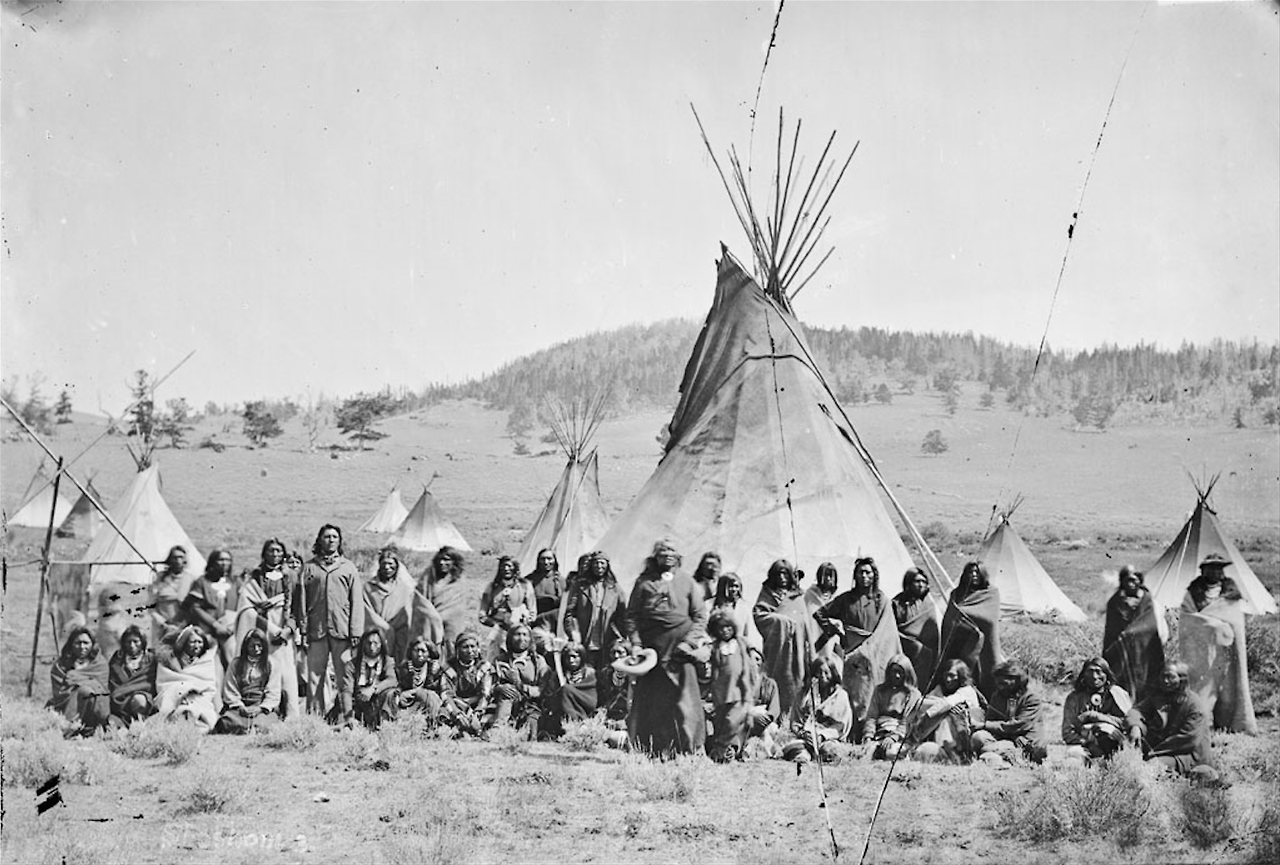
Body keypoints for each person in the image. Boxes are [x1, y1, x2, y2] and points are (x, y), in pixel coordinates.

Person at [624, 540, 709, 756]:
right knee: (652, 700)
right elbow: (632, 616)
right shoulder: (643, 582)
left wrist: (688, 642)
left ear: (678, 555)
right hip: (652, 651)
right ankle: (652, 749)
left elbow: (700, 616)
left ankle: (689, 749)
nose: (668, 555)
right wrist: (636, 644)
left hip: (680, 651)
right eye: (663, 552)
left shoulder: (688, 582)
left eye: (672, 551)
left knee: (685, 700)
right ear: (655, 556)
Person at [814, 556, 898, 740]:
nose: (864, 576)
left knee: (871, 696)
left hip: (875, 657)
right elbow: (820, 614)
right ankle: (851, 735)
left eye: (868, 572)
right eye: (860, 572)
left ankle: (869, 735)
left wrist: (871, 646)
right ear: (855, 575)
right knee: (853, 696)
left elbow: (887, 629)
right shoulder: (846, 599)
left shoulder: (880, 600)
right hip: (852, 656)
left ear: (874, 575)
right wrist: (837, 630)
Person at [1179, 554, 1256, 734]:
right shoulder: (1193, 593)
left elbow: (1236, 619)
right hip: (1202, 651)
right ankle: (1199, 727)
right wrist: (1214, 624)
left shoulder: (1230, 593)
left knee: (1228, 689)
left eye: (1219, 567)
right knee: (1202, 687)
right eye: (1211, 567)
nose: (1215, 571)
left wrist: (1225, 627)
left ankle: (1231, 726)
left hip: (1228, 650)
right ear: (1203, 570)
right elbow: (1187, 619)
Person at [298, 524, 364, 725]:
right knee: (315, 677)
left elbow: (357, 602)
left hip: (342, 631)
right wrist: (302, 628)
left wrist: (356, 631)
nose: (331, 540)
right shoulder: (309, 568)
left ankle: (347, 718)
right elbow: (301, 600)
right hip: (316, 631)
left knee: (345, 677)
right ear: (319, 540)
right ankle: (314, 722)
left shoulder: (348, 567)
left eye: (335, 536)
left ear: (340, 541)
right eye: (327, 536)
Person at [236, 538, 299, 719]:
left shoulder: (291, 577)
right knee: (262, 670)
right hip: (260, 630)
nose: (275, 554)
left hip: (283, 632)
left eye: (279, 551)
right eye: (271, 550)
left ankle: (290, 715)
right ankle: (263, 713)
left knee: (286, 673)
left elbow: (297, 609)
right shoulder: (255, 578)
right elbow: (245, 607)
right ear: (264, 553)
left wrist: (288, 629)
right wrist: (264, 624)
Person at [1126, 661, 1217, 780]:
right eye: (1163, 676)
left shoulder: (1193, 704)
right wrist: (1135, 726)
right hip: (1165, 750)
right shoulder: (1159, 696)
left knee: (1152, 766)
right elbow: (1136, 711)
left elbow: (1188, 740)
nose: (1165, 681)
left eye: (1170, 677)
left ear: (1182, 679)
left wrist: (1153, 753)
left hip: (1188, 754)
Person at [753, 559, 818, 717]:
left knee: (797, 682)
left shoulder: (797, 597)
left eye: (785, 573)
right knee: (777, 682)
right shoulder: (766, 595)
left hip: (798, 650)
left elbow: (806, 625)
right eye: (778, 573)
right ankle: (777, 716)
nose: (782, 577)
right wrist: (782, 620)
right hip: (778, 650)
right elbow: (759, 615)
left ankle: (793, 718)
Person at [939, 561, 1003, 701]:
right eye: (970, 572)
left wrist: (964, 615)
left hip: (985, 645)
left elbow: (989, 619)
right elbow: (949, 619)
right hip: (961, 643)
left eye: (977, 572)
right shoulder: (957, 594)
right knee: (961, 673)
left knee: (986, 674)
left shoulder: (990, 594)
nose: (973, 575)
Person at [1102, 565, 1165, 702]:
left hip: (1144, 649)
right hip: (1121, 650)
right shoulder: (1115, 602)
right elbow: (1111, 629)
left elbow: (1150, 624)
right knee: (1122, 680)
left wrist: (1130, 633)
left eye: (1134, 580)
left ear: (1140, 581)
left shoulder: (1147, 600)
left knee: (1145, 677)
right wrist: (1122, 638)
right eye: (1127, 580)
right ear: (1122, 581)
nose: (1131, 583)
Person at [705, 609, 760, 762]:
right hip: (721, 692)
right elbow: (712, 667)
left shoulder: (741, 643)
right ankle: (723, 755)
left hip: (739, 692)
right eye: (721, 628)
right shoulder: (715, 647)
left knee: (732, 721)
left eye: (728, 627)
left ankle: (719, 749)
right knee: (721, 724)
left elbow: (750, 661)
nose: (725, 631)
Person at [563, 551, 628, 678]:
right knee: (585, 673)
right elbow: (570, 613)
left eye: (602, 563)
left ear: (607, 566)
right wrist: (573, 633)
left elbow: (622, 615)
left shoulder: (615, 588)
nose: (599, 566)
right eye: (596, 563)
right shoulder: (580, 586)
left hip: (607, 639)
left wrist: (621, 636)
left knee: (606, 674)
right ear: (591, 566)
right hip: (585, 638)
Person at [906, 659, 984, 763]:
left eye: (952, 676)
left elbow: (948, 703)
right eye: (946, 675)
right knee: (943, 711)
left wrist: (931, 713)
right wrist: (942, 705)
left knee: (948, 714)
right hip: (939, 736)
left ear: (961, 676)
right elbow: (921, 703)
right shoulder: (940, 690)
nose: (948, 679)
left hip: (964, 737)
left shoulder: (967, 690)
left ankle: (958, 754)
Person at [969, 661, 1048, 764]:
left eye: (1004, 684)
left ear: (1017, 680)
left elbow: (1019, 725)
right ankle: (999, 756)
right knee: (978, 737)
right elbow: (991, 719)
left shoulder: (1031, 699)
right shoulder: (998, 696)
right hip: (1006, 738)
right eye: (998, 684)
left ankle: (1013, 758)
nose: (1001, 687)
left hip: (1026, 743)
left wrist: (985, 725)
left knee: (987, 749)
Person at [779, 655, 853, 765]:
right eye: (819, 672)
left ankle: (820, 755)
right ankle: (804, 755)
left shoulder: (841, 696)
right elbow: (796, 722)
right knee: (794, 747)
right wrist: (804, 734)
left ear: (833, 674)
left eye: (826, 673)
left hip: (829, 739)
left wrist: (822, 736)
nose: (822, 676)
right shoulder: (803, 695)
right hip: (806, 739)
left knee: (830, 750)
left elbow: (841, 725)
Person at [363, 545, 429, 666]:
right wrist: (384, 627)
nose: (387, 567)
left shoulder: (403, 588)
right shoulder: (368, 587)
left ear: (397, 566)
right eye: (384, 564)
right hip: (377, 634)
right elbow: (366, 611)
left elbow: (407, 613)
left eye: (391, 564)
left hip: (400, 634)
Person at [1062, 657, 1132, 761]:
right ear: (1083, 674)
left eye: (1099, 672)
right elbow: (1067, 732)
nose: (1094, 676)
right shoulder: (1074, 698)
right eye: (1090, 671)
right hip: (1084, 744)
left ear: (1106, 674)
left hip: (1115, 744)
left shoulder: (1117, 694)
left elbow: (1127, 723)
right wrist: (1089, 742)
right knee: (1073, 760)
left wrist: (1097, 717)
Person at [183, 548, 241, 672]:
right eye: (221, 559)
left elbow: (242, 604)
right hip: (207, 630)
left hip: (230, 630)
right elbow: (195, 607)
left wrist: (231, 625)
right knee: (212, 666)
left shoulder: (236, 582)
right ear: (213, 562)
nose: (224, 563)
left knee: (233, 662)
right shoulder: (202, 582)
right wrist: (215, 625)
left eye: (227, 560)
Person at [214, 628, 281, 734]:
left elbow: (274, 691)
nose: (256, 649)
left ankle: (253, 727)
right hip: (240, 708)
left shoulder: (271, 664)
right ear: (245, 647)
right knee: (227, 721)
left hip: (261, 707)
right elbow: (230, 688)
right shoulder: (236, 663)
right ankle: (246, 727)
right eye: (252, 646)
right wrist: (240, 706)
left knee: (263, 723)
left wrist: (261, 708)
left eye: (259, 645)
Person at [48, 626, 111, 736]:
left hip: (95, 707)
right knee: (83, 690)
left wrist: (75, 679)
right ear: (71, 644)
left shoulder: (99, 664)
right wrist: (79, 686)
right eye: (78, 643)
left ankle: (87, 728)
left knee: (85, 691)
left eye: (86, 643)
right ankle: (68, 727)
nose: (82, 647)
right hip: (65, 705)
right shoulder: (62, 664)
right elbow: (59, 692)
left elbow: (102, 688)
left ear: (92, 644)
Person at [155, 625, 219, 732]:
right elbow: (165, 681)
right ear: (184, 643)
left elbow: (209, 686)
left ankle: (191, 719)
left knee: (199, 710)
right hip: (174, 696)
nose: (197, 646)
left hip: (199, 697)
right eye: (193, 642)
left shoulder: (207, 661)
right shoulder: (171, 661)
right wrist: (181, 691)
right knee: (174, 708)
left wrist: (192, 690)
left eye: (200, 642)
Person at [863, 654, 923, 760]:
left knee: (891, 753)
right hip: (880, 734)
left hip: (901, 737)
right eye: (894, 671)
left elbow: (907, 722)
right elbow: (872, 716)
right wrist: (868, 736)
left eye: (900, 672)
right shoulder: (880, 690)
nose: (897, 676)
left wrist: (893, 737)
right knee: (865, 754)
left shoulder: (913, 694)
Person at [492, 623, 548, 734]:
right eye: (517, 634)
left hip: (530, 705)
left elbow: (543, 689)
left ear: (530, 639)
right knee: (507, 690)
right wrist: (499, 688)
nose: (521, 638)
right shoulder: (500, 660)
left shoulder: (538, 661)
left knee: (529, 730)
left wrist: (520, 684)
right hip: (502, 703)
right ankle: (498, 728)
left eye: (525, 635)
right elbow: (488, 685)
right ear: (510, 638)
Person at [479, 556, 536, 661]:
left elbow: (532, 610)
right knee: (493, 660)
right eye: (503, 566)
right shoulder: (492, 587)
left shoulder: (525, 585)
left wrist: (525, 621)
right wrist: (495, 624)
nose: (506, 569)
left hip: (520, 632)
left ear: (515, 568)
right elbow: (482, 614)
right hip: (499, 632)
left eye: (509, 566)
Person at [893, 567, 940, 690]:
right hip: (903, 650)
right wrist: (912, 644)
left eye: (924, 582)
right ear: (908, 583)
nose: (921, 585)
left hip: (926, 657)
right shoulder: (896, 603)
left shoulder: (928, 605)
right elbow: (892, 628)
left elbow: (933, 633)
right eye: (917, 581)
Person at [439, 632, 495, 737]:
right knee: (443, 712)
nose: (470, 651)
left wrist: (477, 714)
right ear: (457, 650)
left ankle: (478, 729)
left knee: (493, 708)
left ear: (478, 648)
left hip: (478, 705)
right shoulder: (449, 668)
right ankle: (459, 730)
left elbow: (485, 694)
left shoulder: (484, 667)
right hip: (457, 704)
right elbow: (446, 694)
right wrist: (457, 714)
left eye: (473, 646)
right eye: (465, 647)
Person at [538, 642, 598, 740]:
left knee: (566, 690)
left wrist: (569, 691)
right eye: (568, 657)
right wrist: (561, 695)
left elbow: (592, 699)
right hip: (561, 714)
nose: (571, 660)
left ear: (582, 657)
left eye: (575, 657)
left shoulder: (590, 674)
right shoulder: (558, 675)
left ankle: (578, 727)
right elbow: (549, 697)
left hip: (584, 713)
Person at [423, 546, 468, 659]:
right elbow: (420, 600)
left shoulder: (459, 581)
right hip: (431, 625)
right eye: (440, 559)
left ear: (454, 562)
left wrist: (442, 616)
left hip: (452, 627)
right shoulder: (428, 578)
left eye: (447, 559)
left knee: (451, 653)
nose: (442, 563)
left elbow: (458, 607)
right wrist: (433, 617)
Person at [108, 624, 156, 726]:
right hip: (120, 700)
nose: (132, 645)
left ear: (142, 642)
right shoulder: (117, 659)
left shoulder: (150, 659)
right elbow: (112, 682)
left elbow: (150, 682)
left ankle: (140, 723)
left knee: (139, 700)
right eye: (128, 642)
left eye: (136, 641)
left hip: (142, 698)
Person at [352, 628, 399, 731]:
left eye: (375, 643)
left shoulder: (387, 661)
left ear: (382, 644)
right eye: (368, 643)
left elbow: (392, 680)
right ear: (363, 644)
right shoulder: (355, 663)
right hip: (360, 700)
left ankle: (385, 725)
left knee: (391, 693)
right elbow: (347, 688)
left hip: (377, 700)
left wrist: (373, 689)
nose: (372, 647)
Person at [710, 572, 763, 654]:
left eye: (736, 586)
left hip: (738, 650)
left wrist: (752, 650)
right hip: (715, 648)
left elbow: (750, 632)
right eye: (731, 586)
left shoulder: (744, 607)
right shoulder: (710, 605)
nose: (734, 589)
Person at [396, 636, 444, 720]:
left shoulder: (433, 669)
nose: (419, 654)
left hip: (427, 704)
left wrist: (417, 691)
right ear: (411, 652)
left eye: (423, 651)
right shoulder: (403, 668)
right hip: (407, 703)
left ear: (429, 653)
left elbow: (436, 690)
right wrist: (401, 695)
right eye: (416, 650)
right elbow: (398, 686)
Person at [151, 545, 190, 644]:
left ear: (185, 560)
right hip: (162, 626)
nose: (178, 560)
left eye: (181, 557)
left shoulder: (191, 579)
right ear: (169, 560)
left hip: (184, 626)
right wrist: (163, 623)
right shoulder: (159, 579)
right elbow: (150, 605)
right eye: (175, 557)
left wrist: (182, 624)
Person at [525, 549, 564, 640]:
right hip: (534, 622)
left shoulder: (560, 580)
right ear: (538, 561)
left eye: (549, 559)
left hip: (554, 623)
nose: (546, 562)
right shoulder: (529, 580)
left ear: (554, 560)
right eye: (543, 559)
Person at [746, 646, 782, 744]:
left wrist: (767, 718)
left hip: (765, 722)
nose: (755, 662)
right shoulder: (740, 683)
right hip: (746, 720)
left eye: (758, 659)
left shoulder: (770, 684)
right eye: (751, 658)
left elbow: (775, 709)